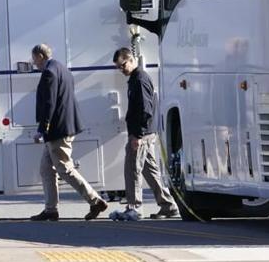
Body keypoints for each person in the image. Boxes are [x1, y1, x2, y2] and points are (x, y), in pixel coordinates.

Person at [30, 43, 108, 221]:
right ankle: (51, 209)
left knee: (65, 168)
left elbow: (49, 103)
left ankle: (95, 200)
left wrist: (42, 129)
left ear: (40, 56)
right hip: (62, 127)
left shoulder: (49, 72)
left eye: (35, 59)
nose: (34, 63)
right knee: (46, 169)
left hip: (57, 130)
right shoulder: (62, 69)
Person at [112, 47, 179, 220]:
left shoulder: (140, 79)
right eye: (118, 67)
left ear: (131, 59)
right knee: (150, 170)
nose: (121, 69)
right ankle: (168, 205)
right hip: (145, 133)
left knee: (132, 168)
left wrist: (138, 135)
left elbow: (145, 109)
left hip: (141, 133)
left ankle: (134, 207)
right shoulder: (136, 78)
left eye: (123, 65)